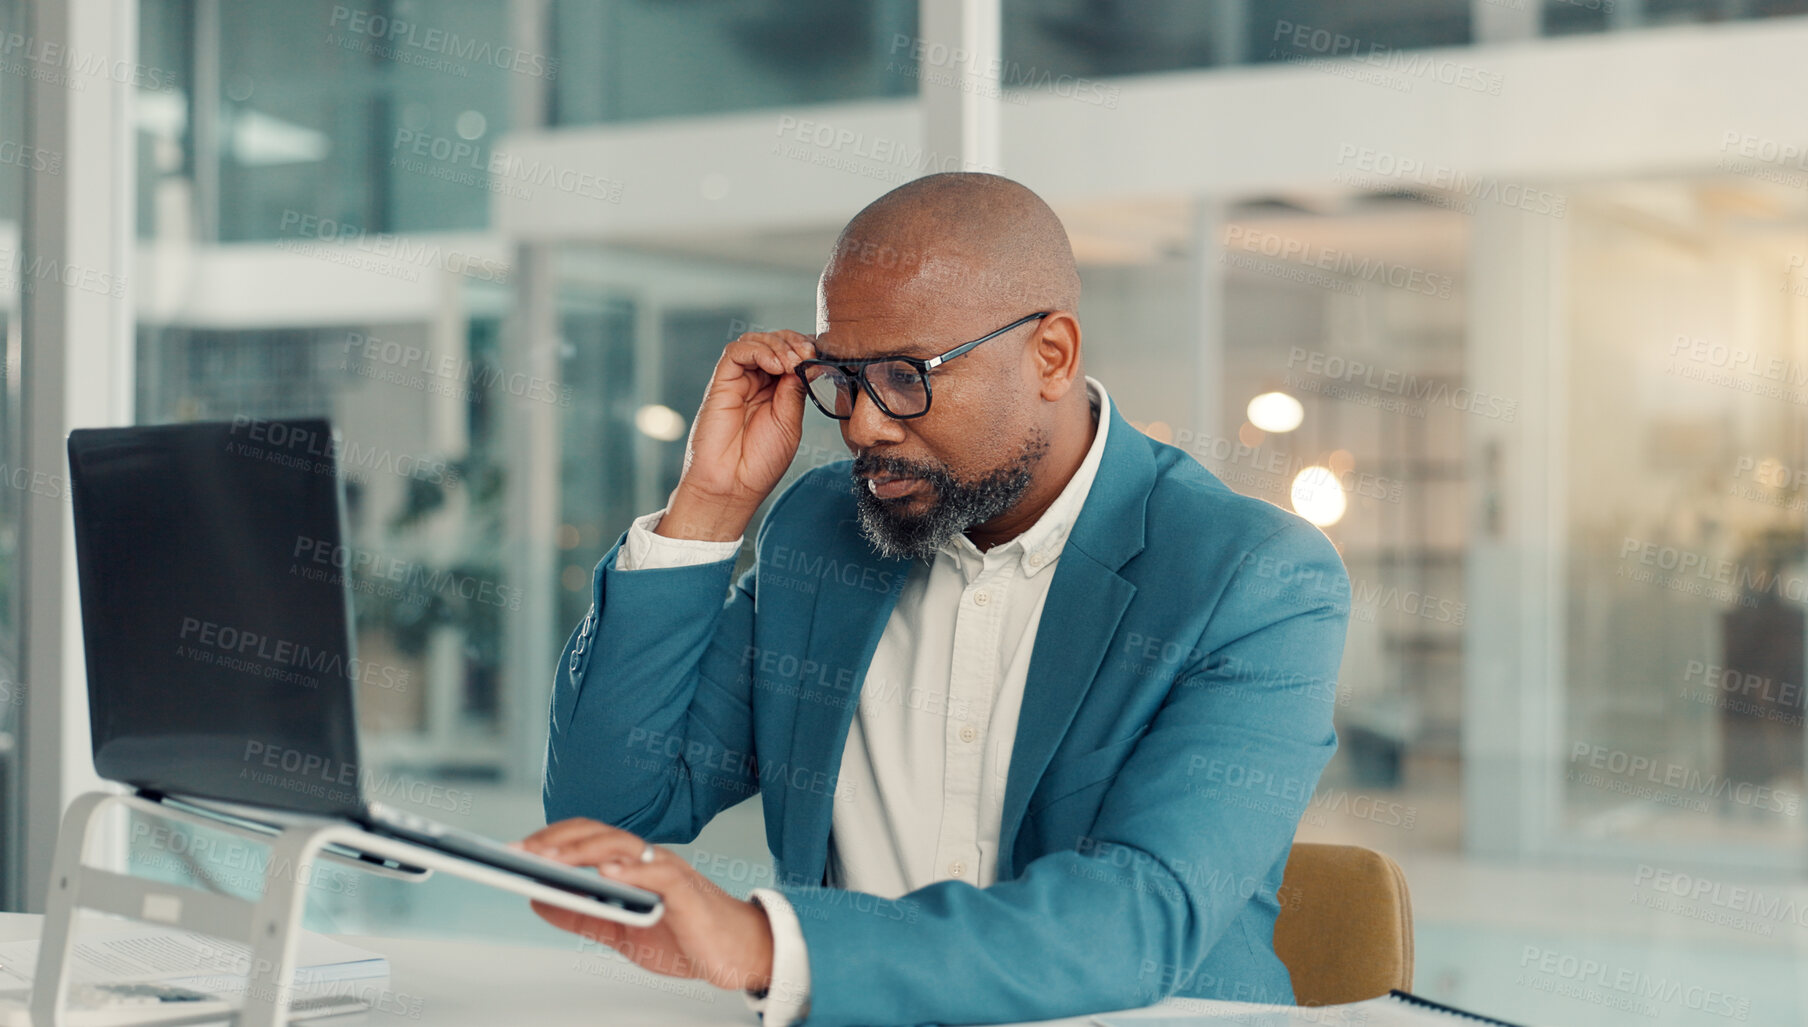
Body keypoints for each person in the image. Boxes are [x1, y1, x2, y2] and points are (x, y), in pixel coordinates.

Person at [524, 172, 1351, 1027]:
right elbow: (611, 811)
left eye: (904, 375)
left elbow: (1139, 917)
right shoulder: (823, 530)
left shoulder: (1254, 575)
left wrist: (770, 945)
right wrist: (710, 506)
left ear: (1052, 356)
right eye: (842, 377)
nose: (860, 424)